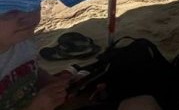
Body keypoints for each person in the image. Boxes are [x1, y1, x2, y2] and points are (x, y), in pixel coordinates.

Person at [1, 8, 162, 110]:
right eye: (8, 11)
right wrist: (36, 106)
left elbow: (30, 70)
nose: (26, 17)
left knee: (142, 103)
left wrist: (52, 83)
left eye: (31, 4)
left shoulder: (22, 42)